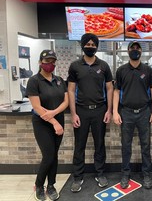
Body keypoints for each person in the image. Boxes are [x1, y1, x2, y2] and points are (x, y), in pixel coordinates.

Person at [67, 33, 113, 192]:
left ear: (97, 47)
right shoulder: (75, 66)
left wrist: (109, 110)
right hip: (81, 111)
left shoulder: (104, 66)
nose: (91, 47)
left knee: (99, 144)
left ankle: (100, 173)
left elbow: (109, 88)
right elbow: (71, 90)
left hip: (100, 110)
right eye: (88, 44)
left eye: (93, 45)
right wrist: (73, 114)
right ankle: (77, 177)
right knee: (79, 145)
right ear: (82, 45)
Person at [113, 41, 152, 189]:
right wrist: (115, 111)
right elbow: (116, 92)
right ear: (128, 51)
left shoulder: (148, 70)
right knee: (126, 146)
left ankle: (146, 174)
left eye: (137, 48)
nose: (135, 50)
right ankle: (125, 174)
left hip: (144, 112)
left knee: (146, 145)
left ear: (141, 51)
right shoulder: (121, 70)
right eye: (132, 48)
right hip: (126, 112)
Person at [26, 50, 69, 201]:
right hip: (42, 123)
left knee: (54, 155)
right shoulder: (34, 81)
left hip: (57, 119)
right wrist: (53, 120)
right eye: (47, 61)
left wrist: (54, 113)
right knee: (48, 155)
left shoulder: (59, 80)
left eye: (52, 61)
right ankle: (39, 185)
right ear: (40, 62)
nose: (50, 64)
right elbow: (36, 107)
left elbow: (66, 101)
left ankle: (51, 185)